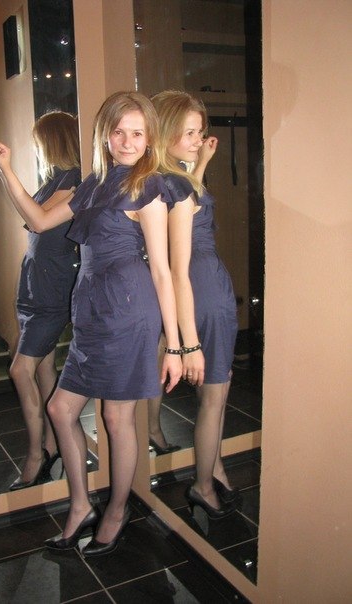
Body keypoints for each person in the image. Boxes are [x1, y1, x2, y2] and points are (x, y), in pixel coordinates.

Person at [0, 91, 182, 555]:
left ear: (150, 138)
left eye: (137, 133)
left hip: (128, 310)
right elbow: (38, 221)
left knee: (116, 416)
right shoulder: (95, 183)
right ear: (104, 135)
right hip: (91, 309)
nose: (127, 141)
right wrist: (4, 169)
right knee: (60, 410)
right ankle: (80, 506)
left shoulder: (149, 186)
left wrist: (174, 345)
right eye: (118, 131)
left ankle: (116, 510)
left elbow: (162, 270)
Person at [151, 90, 239, 518]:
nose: (197, 140)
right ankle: (203, 486)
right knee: (215, 396)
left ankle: (214, 468)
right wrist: (188, 344)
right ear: (166, 133)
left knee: (215, 391)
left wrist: (200, 161)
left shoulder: (164, 180)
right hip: (205, 292)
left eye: (199, 132)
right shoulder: (179, 187)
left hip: (198, 292)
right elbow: (179, 269)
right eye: (189, 133)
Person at [0, 111, 81, 491]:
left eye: (41, 142)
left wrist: (7, 170)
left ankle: (37, 455)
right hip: (34, 282)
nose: (39, 149)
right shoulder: (54, 179)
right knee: (42, 368)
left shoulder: (75, 180)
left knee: (20, 370)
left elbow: (40, 221)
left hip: (53, 287)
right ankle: (55, 445)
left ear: (54, 141)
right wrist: (0, 171)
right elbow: (28, 215)